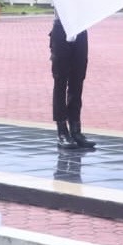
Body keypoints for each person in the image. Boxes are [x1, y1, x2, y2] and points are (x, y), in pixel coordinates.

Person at [50, 12, 94, 149]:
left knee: (78, 80)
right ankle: (62, 131)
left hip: (80, 28)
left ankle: (75, 130)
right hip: (61, 28)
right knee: (60, 82)